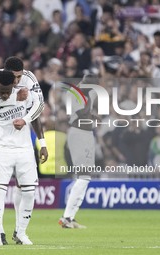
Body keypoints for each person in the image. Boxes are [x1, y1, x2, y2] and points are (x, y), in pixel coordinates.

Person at [0, 56, 48, 241]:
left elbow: (39, 106)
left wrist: (41, 142)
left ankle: (20, 232)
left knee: (27, 188)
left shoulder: (30, 79)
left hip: (24, 143)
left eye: (20, 77)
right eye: (14, 77)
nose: (17, 81)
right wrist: (14, 96)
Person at [58, 74, 98, 229]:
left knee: (85, 177)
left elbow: (82, 113)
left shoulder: (83, 93)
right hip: (79, 134)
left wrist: (93, 116)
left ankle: (70, 217)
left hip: (85, 134)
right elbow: (81, 113)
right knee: (84, 176)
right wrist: (89, 96)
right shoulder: (77, 93)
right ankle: (67, 217)